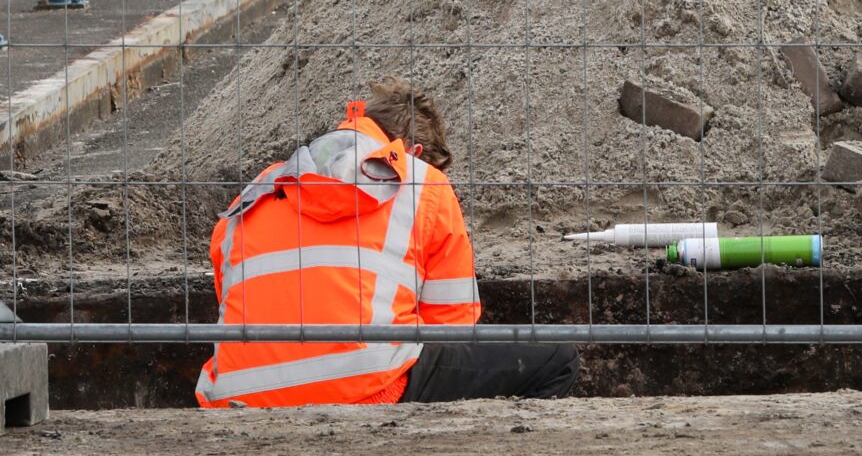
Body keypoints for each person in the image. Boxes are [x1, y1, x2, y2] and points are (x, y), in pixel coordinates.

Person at [194, 82, 578, 407]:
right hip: (365, 388)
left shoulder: (256, 192)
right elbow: (451, 331)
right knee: (558, 358)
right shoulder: (421, 181)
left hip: (237, 399)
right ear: (415, 154)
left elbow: (234, 300)